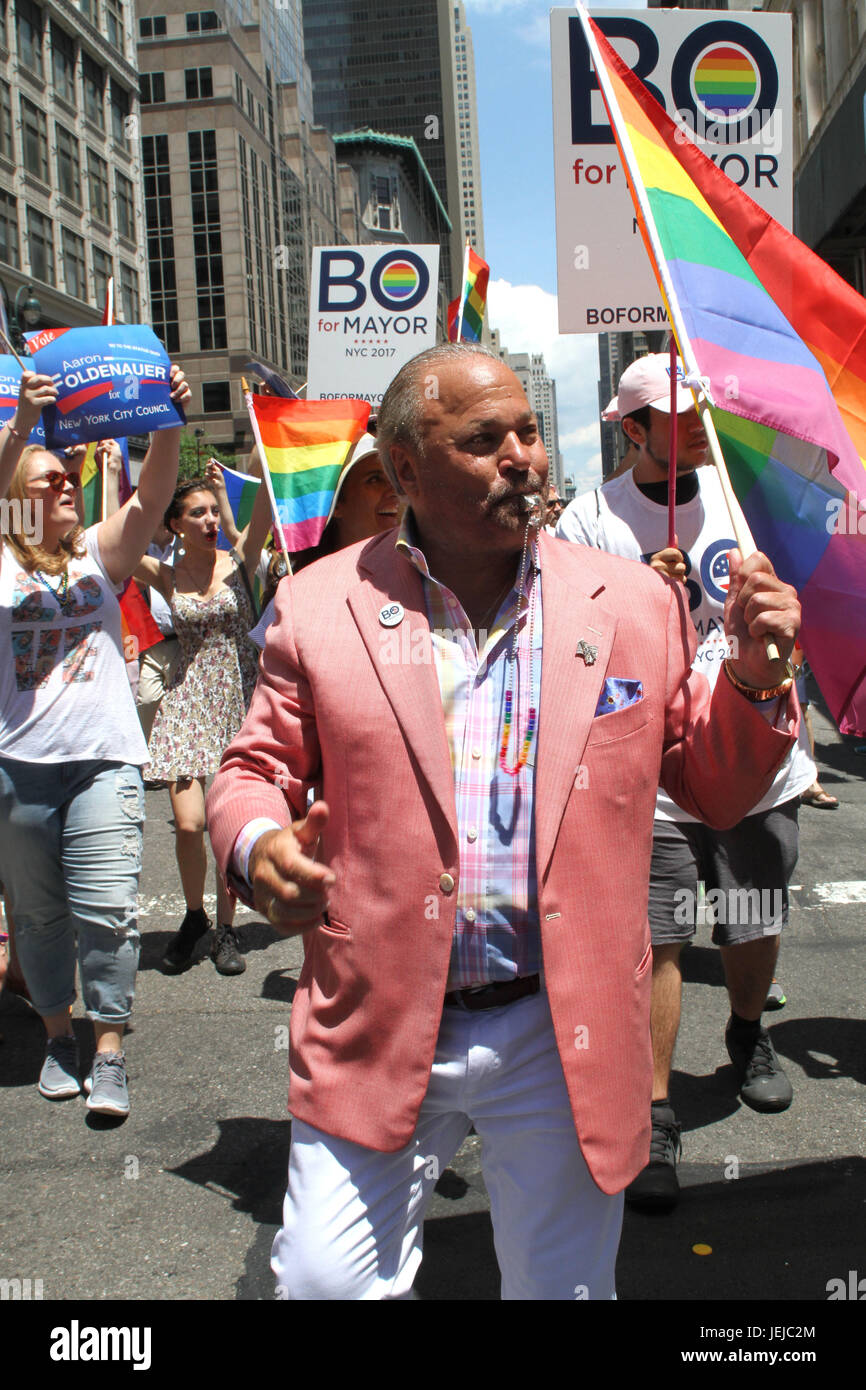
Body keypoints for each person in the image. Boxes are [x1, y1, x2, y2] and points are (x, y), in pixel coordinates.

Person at [206, 343, 800, 1300]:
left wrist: (756, 680)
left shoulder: (637, 605)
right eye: (484, 441)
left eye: (527, 430)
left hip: (561, 1026)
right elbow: (253, 769)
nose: (522, 455)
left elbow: (711, 787)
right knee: (323, 1284)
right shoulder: (319, 607)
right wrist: (256, 845)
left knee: (563, 1290)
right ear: (404, 471)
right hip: (379, 1016)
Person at [557, 352, 815, 1211]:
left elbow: (799, 607)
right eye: (679, 416)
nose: (700, 425)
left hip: (753, 762)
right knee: (658, 936)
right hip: (653, 767)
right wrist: (628, 595)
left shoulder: (749, 505)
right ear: (634, 429)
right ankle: (655, 1108)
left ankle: (748, 1035)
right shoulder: (590, 517)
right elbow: (563, 631)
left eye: (703, 411)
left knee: (749, 920)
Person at [0, 365, 190, 1117]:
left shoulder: (100, 556)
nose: (66, 485)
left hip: (105, 762)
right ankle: (56, 1036)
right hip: (19, 771)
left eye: (69, 476)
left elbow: (152, 496)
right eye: (47, 480)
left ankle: (107, 1050)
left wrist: (168, 420)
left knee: (108, 910)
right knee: (39, 919)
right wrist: (19, 430)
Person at [134, 468, 272, 976]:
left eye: (214, 510)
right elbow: (118, 545)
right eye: (198, 512)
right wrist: (109, 473)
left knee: (224, 826)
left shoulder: (239, 563)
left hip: (238, 698)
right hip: (187, 701)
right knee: (189, 823)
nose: (211, 519)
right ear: (175, 523)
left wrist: (259, 451)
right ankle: (195, 918)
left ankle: (228, 928)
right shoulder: (163, 574)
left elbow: (262, 512)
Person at [249, 431, 400, 648]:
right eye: (374, 479)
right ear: (336, 504)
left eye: (393, 478)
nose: (393, 491)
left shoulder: (422, 576)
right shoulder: (295, 597)